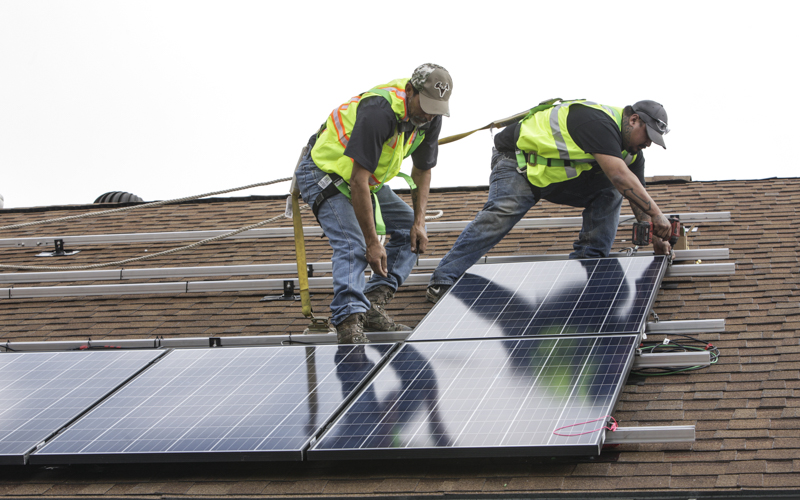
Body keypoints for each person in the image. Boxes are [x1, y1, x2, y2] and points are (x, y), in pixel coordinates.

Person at [427, 99, 672, 303]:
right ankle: (444, 277)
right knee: (502, 212)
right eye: (648, 135)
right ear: (633, 120)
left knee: (615, 190)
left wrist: (657, 238)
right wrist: (658, 215)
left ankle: (588, 266)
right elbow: (619, 175)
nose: (648, 143)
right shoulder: (597, 121)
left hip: (550, 177)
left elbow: (637, 196)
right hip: (518, 163)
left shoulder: (632, 152)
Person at [296, 64, 453, 343]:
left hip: (367, 181)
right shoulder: (379, 111)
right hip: (325, 172)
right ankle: (349, 321)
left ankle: (371, 305)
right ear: (409, 91)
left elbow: (422, 170)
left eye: (436, 109)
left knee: (408, 232)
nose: (429, 114)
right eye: (425, 105)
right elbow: (357, 180)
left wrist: (419, 222)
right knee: (353, 244)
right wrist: (372, 242)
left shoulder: (430, 116)